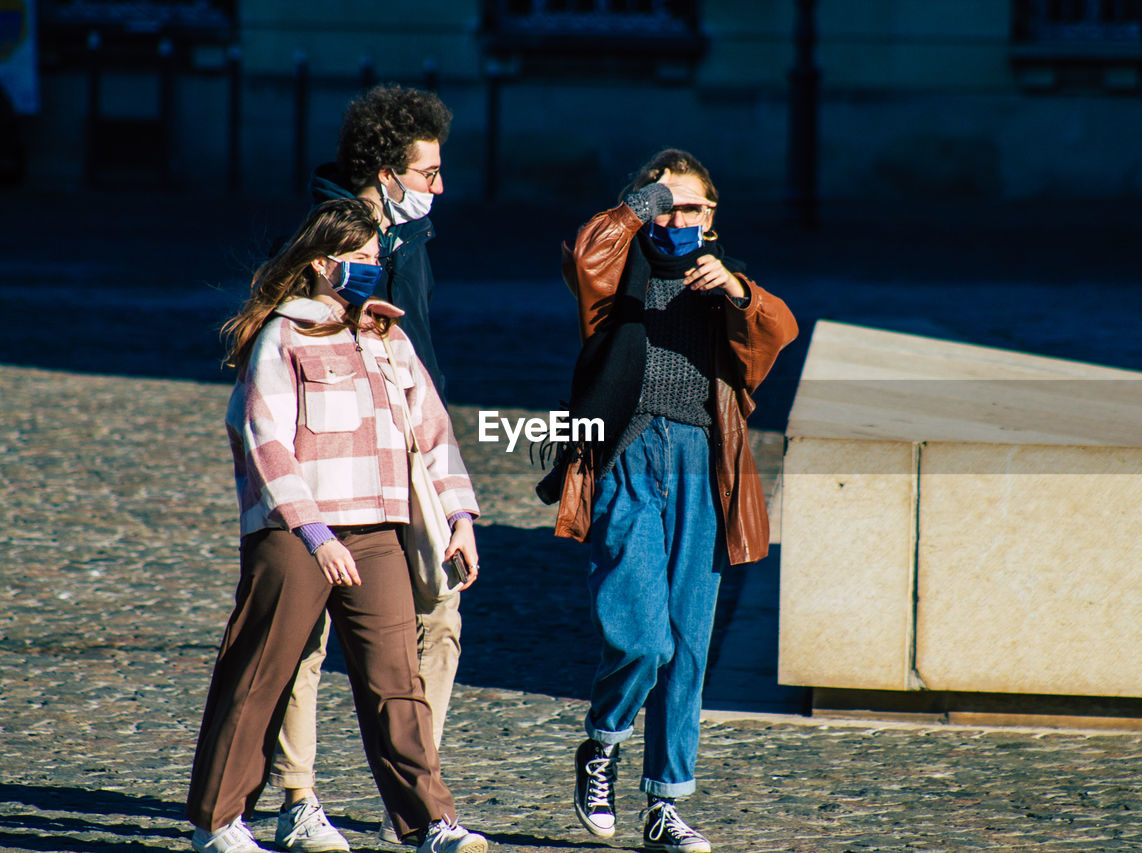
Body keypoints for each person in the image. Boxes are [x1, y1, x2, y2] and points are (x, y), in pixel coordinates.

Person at [186, 198, 487, 853]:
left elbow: (435, 433)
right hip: (295, 535)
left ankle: (432, 821)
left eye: (377, 259)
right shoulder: (282, 335)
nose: (373, 270)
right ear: (324, 264)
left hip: (377, 530)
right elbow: (264, 437)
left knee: (396, 681)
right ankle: (218, 822)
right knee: (264, 669)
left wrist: (460, 515)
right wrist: (313, 533)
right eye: (361, 260)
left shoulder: (387, 337)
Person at [546, 149, 798, 852]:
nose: (677, 219)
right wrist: (642, 202)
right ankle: (602, 744)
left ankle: (666, 803)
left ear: (713, 220)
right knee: (642, 636)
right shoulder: (615, 275)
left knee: (688, 647)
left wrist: (739, 292)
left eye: (692, 208)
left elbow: (778, 333)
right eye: (665, 206)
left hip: (702, 467)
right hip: (628, 456)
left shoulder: (724, 287)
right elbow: (586, 254)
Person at [271, 83, 460, 851]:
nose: (439, 188)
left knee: (440, 610)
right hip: (327, 450)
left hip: (408, 448)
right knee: (306, 632)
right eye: (426, 174)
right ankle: (296, 797)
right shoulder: (321, 236)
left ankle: (413, 791)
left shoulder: (412, 237)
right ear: (383, 175)